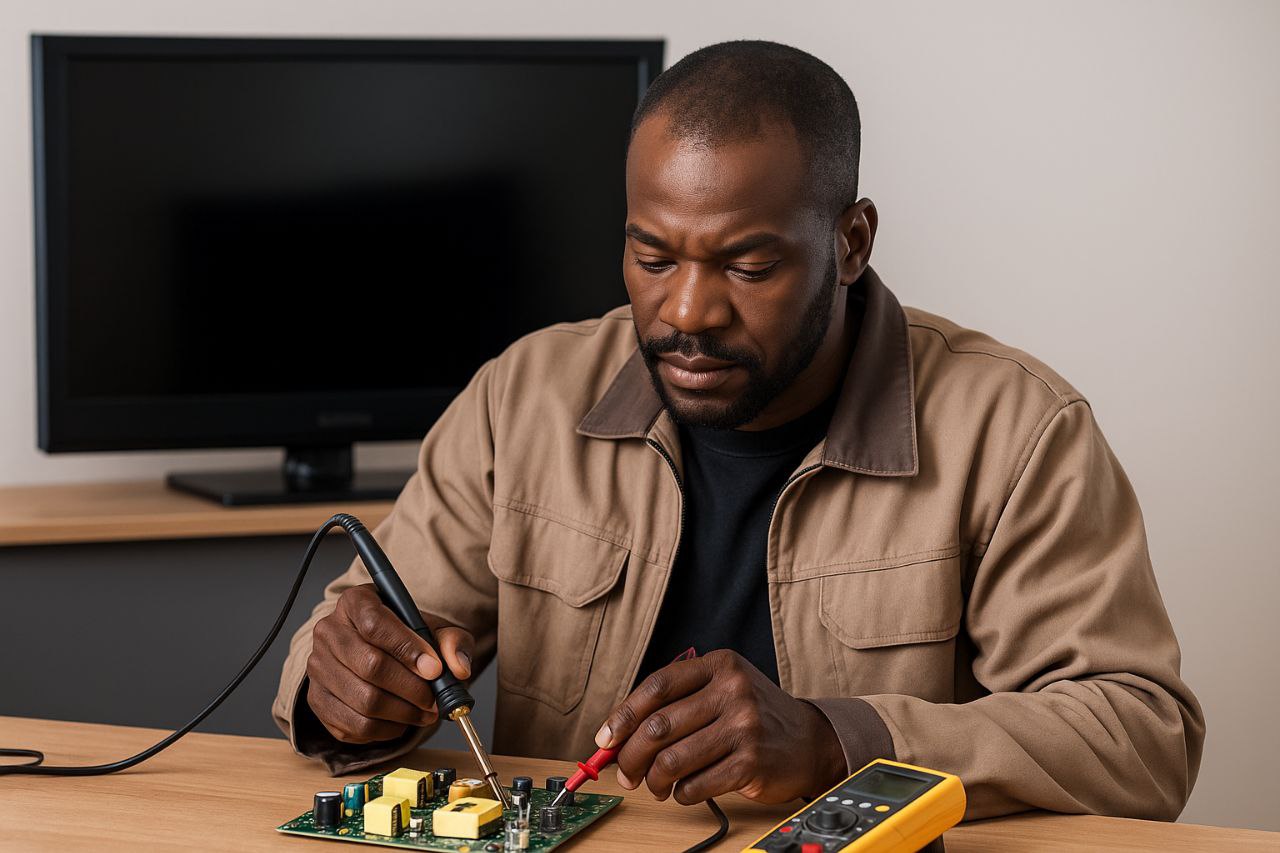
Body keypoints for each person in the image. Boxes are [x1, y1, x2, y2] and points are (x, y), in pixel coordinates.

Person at [274, 40, 1204, 821]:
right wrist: (344, 686)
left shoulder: (1017, 431)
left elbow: (1141, 735)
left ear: (850, 242)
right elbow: (350, 639)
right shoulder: (522, 397)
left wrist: (837, 741)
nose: (688, 311)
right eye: (652, 255)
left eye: (749, 266)